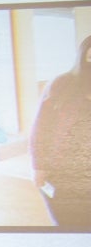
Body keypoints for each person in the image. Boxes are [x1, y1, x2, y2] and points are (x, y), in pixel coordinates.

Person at [30, 33, 91, 231]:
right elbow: (41, 128)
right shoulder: (62, 84)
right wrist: (39, 166)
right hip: (64, 173)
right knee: (70, 225)